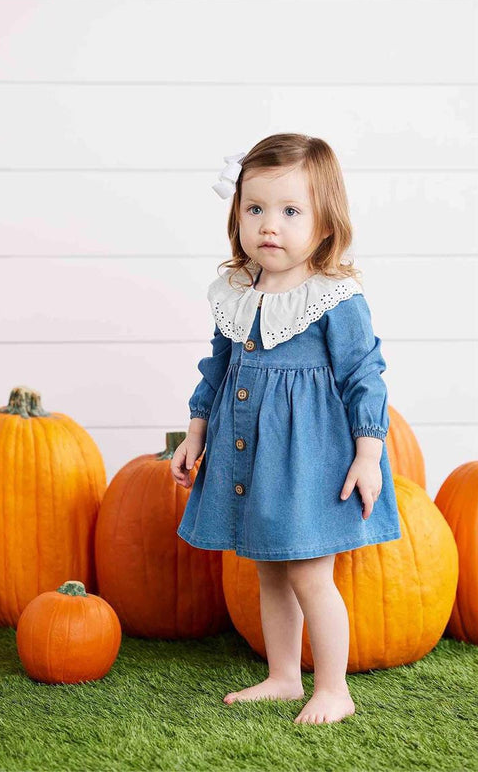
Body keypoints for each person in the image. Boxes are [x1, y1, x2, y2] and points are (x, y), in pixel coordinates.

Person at [170, 133, 401, 725]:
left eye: (291, 211)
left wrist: (367, 454)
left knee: (308, 573)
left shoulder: (332, 297)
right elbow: (218, 367)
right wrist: (196, 430)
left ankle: (334, 689)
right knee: (269, 567)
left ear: (325, 224)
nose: (269, 225)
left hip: (309, 462)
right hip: (252, 455)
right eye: (255, 208)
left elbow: (364, 375)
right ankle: (282, 676)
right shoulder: (237, 291)